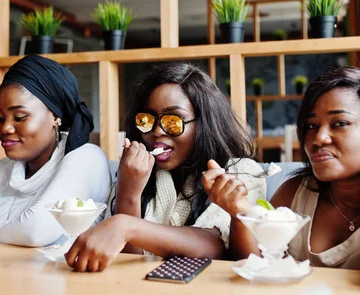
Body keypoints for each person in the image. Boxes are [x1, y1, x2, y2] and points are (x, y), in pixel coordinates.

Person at [204, 67, 360, 290]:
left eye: (339, 123)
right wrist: (239, 213)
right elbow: (259, 267)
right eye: (311, 126)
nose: (318, 138)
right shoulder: (296, 192)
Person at [65, 62, 265, 272]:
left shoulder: (241, 172)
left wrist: (127, 226)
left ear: (203, 123)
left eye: (173, 121)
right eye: (147, 119)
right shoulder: (135, 175)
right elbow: (126, 262)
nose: (157, 131)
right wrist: (128, 193)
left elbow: (214, 246)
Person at [0, 55, 111, 246]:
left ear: (55, 117)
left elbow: (36, 231)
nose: (5, 128)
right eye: (0, 117)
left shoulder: (87, 158)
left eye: (20, 117)